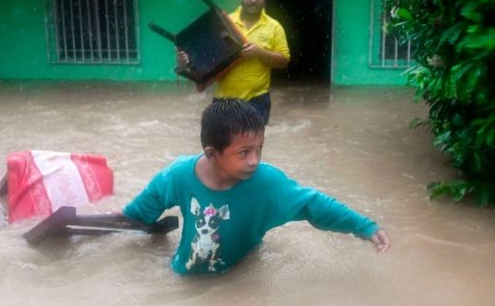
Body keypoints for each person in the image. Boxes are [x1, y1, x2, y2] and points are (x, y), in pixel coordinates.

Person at [123, 98, 390, 275]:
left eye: (259, 149)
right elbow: (139, 213)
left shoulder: (267, 183)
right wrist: (118, 225)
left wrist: (363, 227)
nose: (255, 160)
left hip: (240, 273)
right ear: (212, 154)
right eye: (244, 152)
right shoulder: (178, 175)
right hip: (182, 275)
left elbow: (313, 205)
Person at [177, 0, 291, 125]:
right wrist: (186, 63)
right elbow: (204, 63)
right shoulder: (223, 22)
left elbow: (283, 61)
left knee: (252, 148)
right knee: (222, 147)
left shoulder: (274, 27)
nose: (253, 0)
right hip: (223, 101)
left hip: (257, 101)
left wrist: (259, 52)